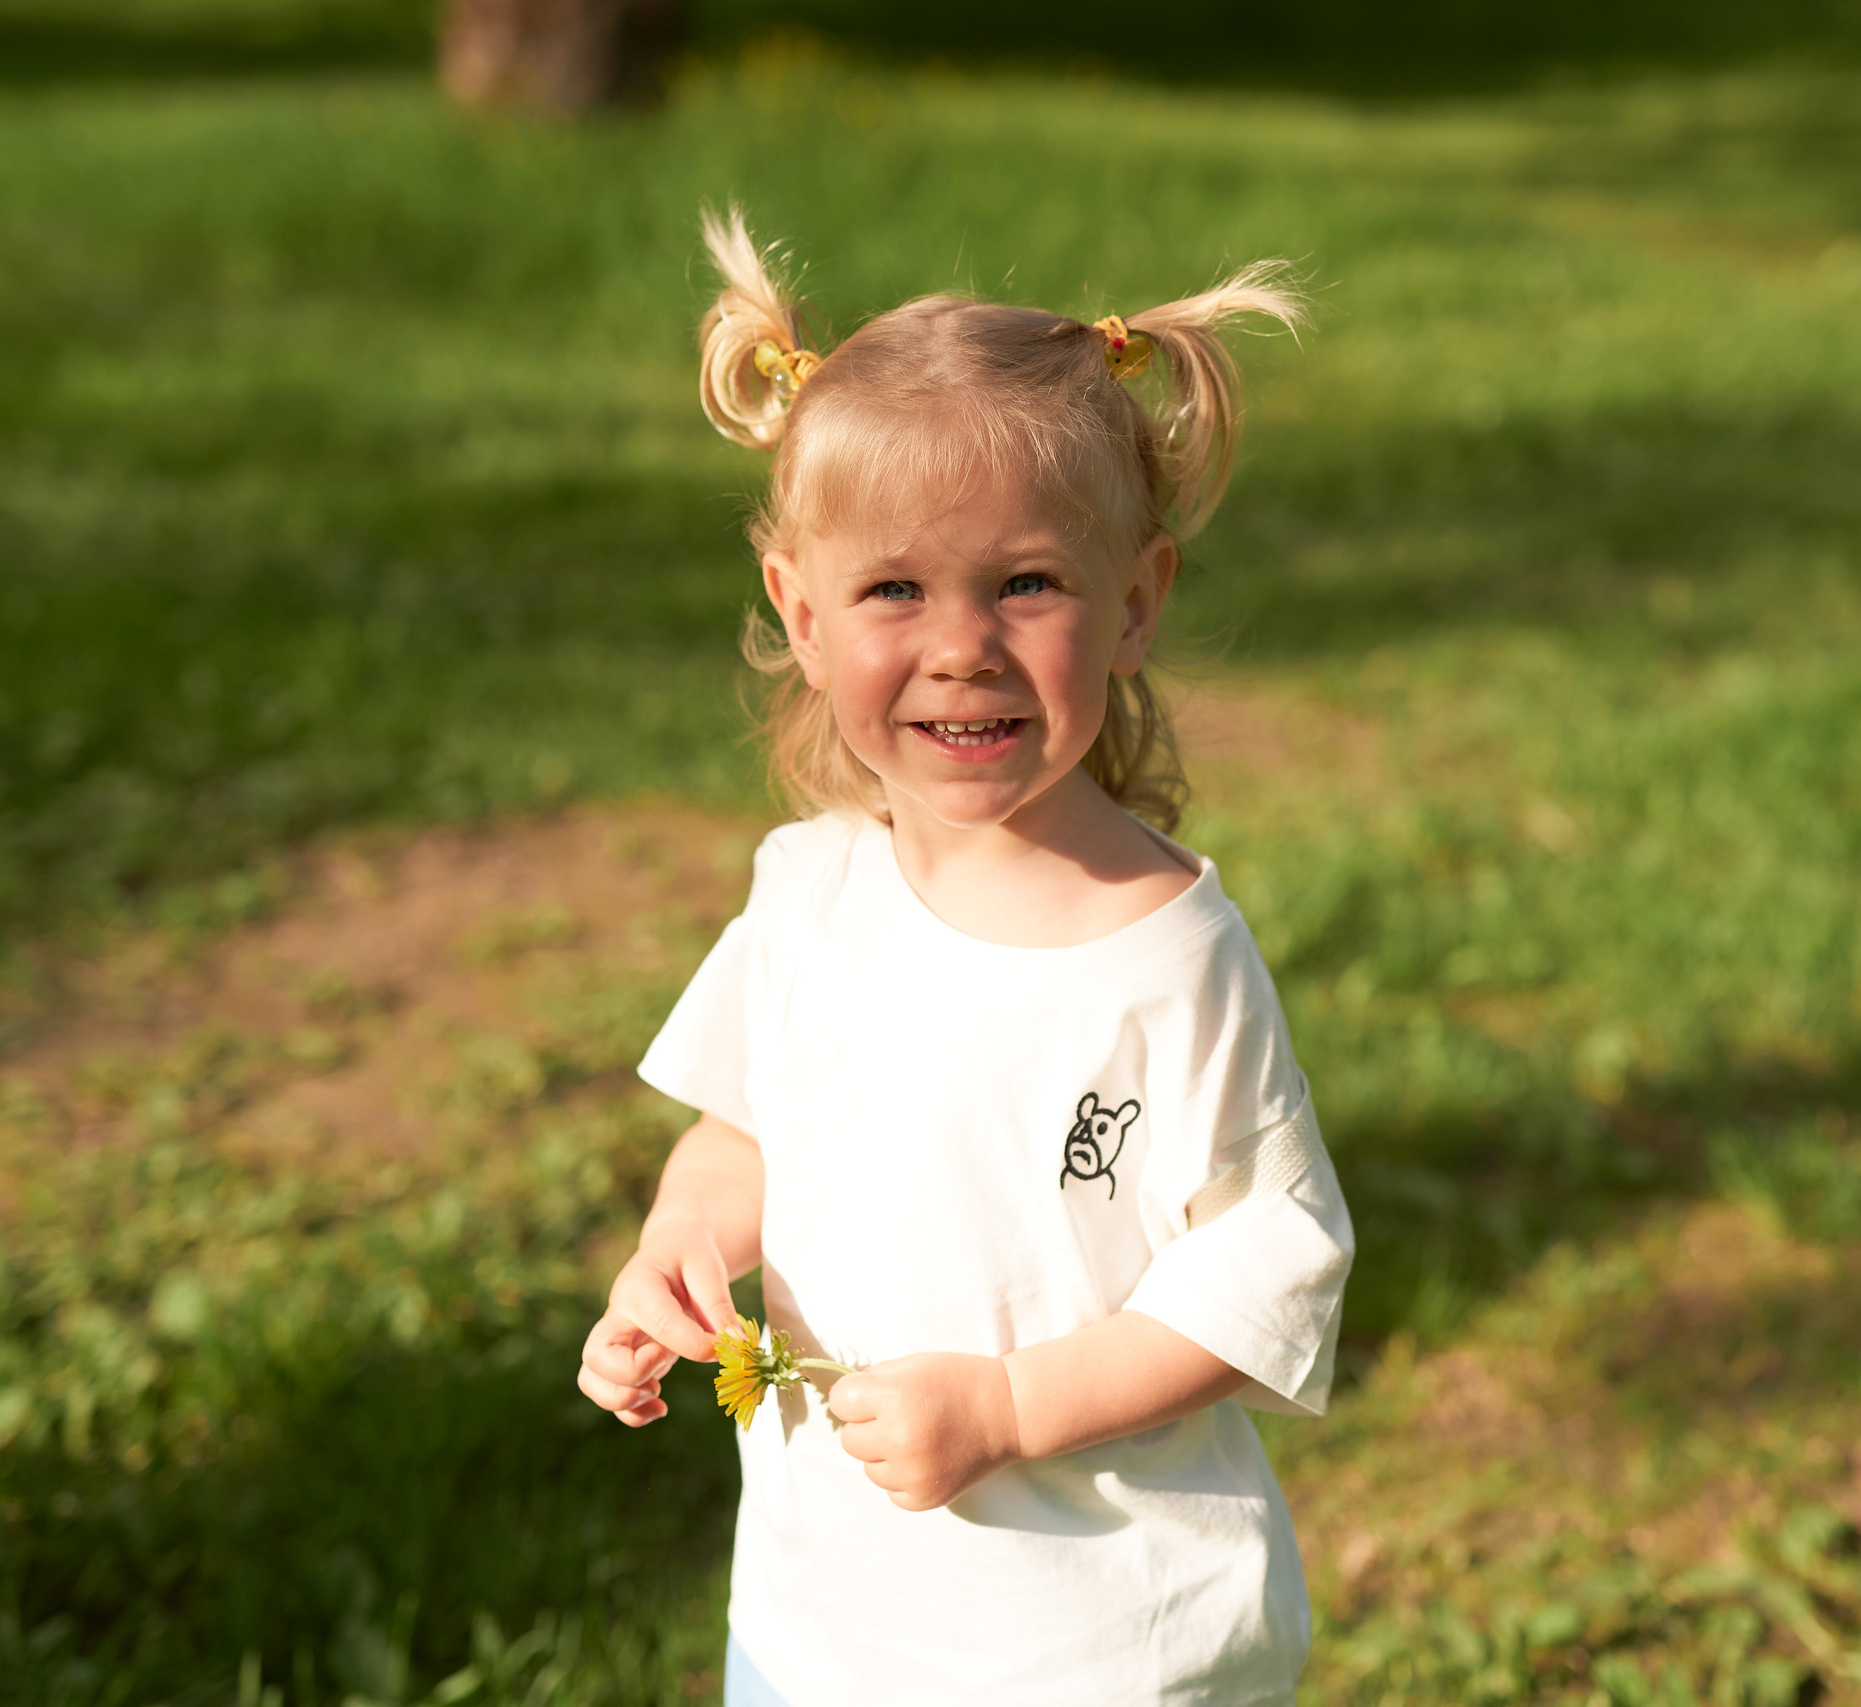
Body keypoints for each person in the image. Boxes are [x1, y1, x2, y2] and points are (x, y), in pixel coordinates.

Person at [574, 210, 1355, 1707]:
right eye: (893, 592)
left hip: (1100, 1649)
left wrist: (1008, 1405)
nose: (962, 647)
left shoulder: (1169, 956)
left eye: (1027, 585)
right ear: (800, 614)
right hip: (825, 1627)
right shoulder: (806, 892)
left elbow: (1265, 1272)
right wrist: (673, 1252)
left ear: (1136, 601)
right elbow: (743, 1137)